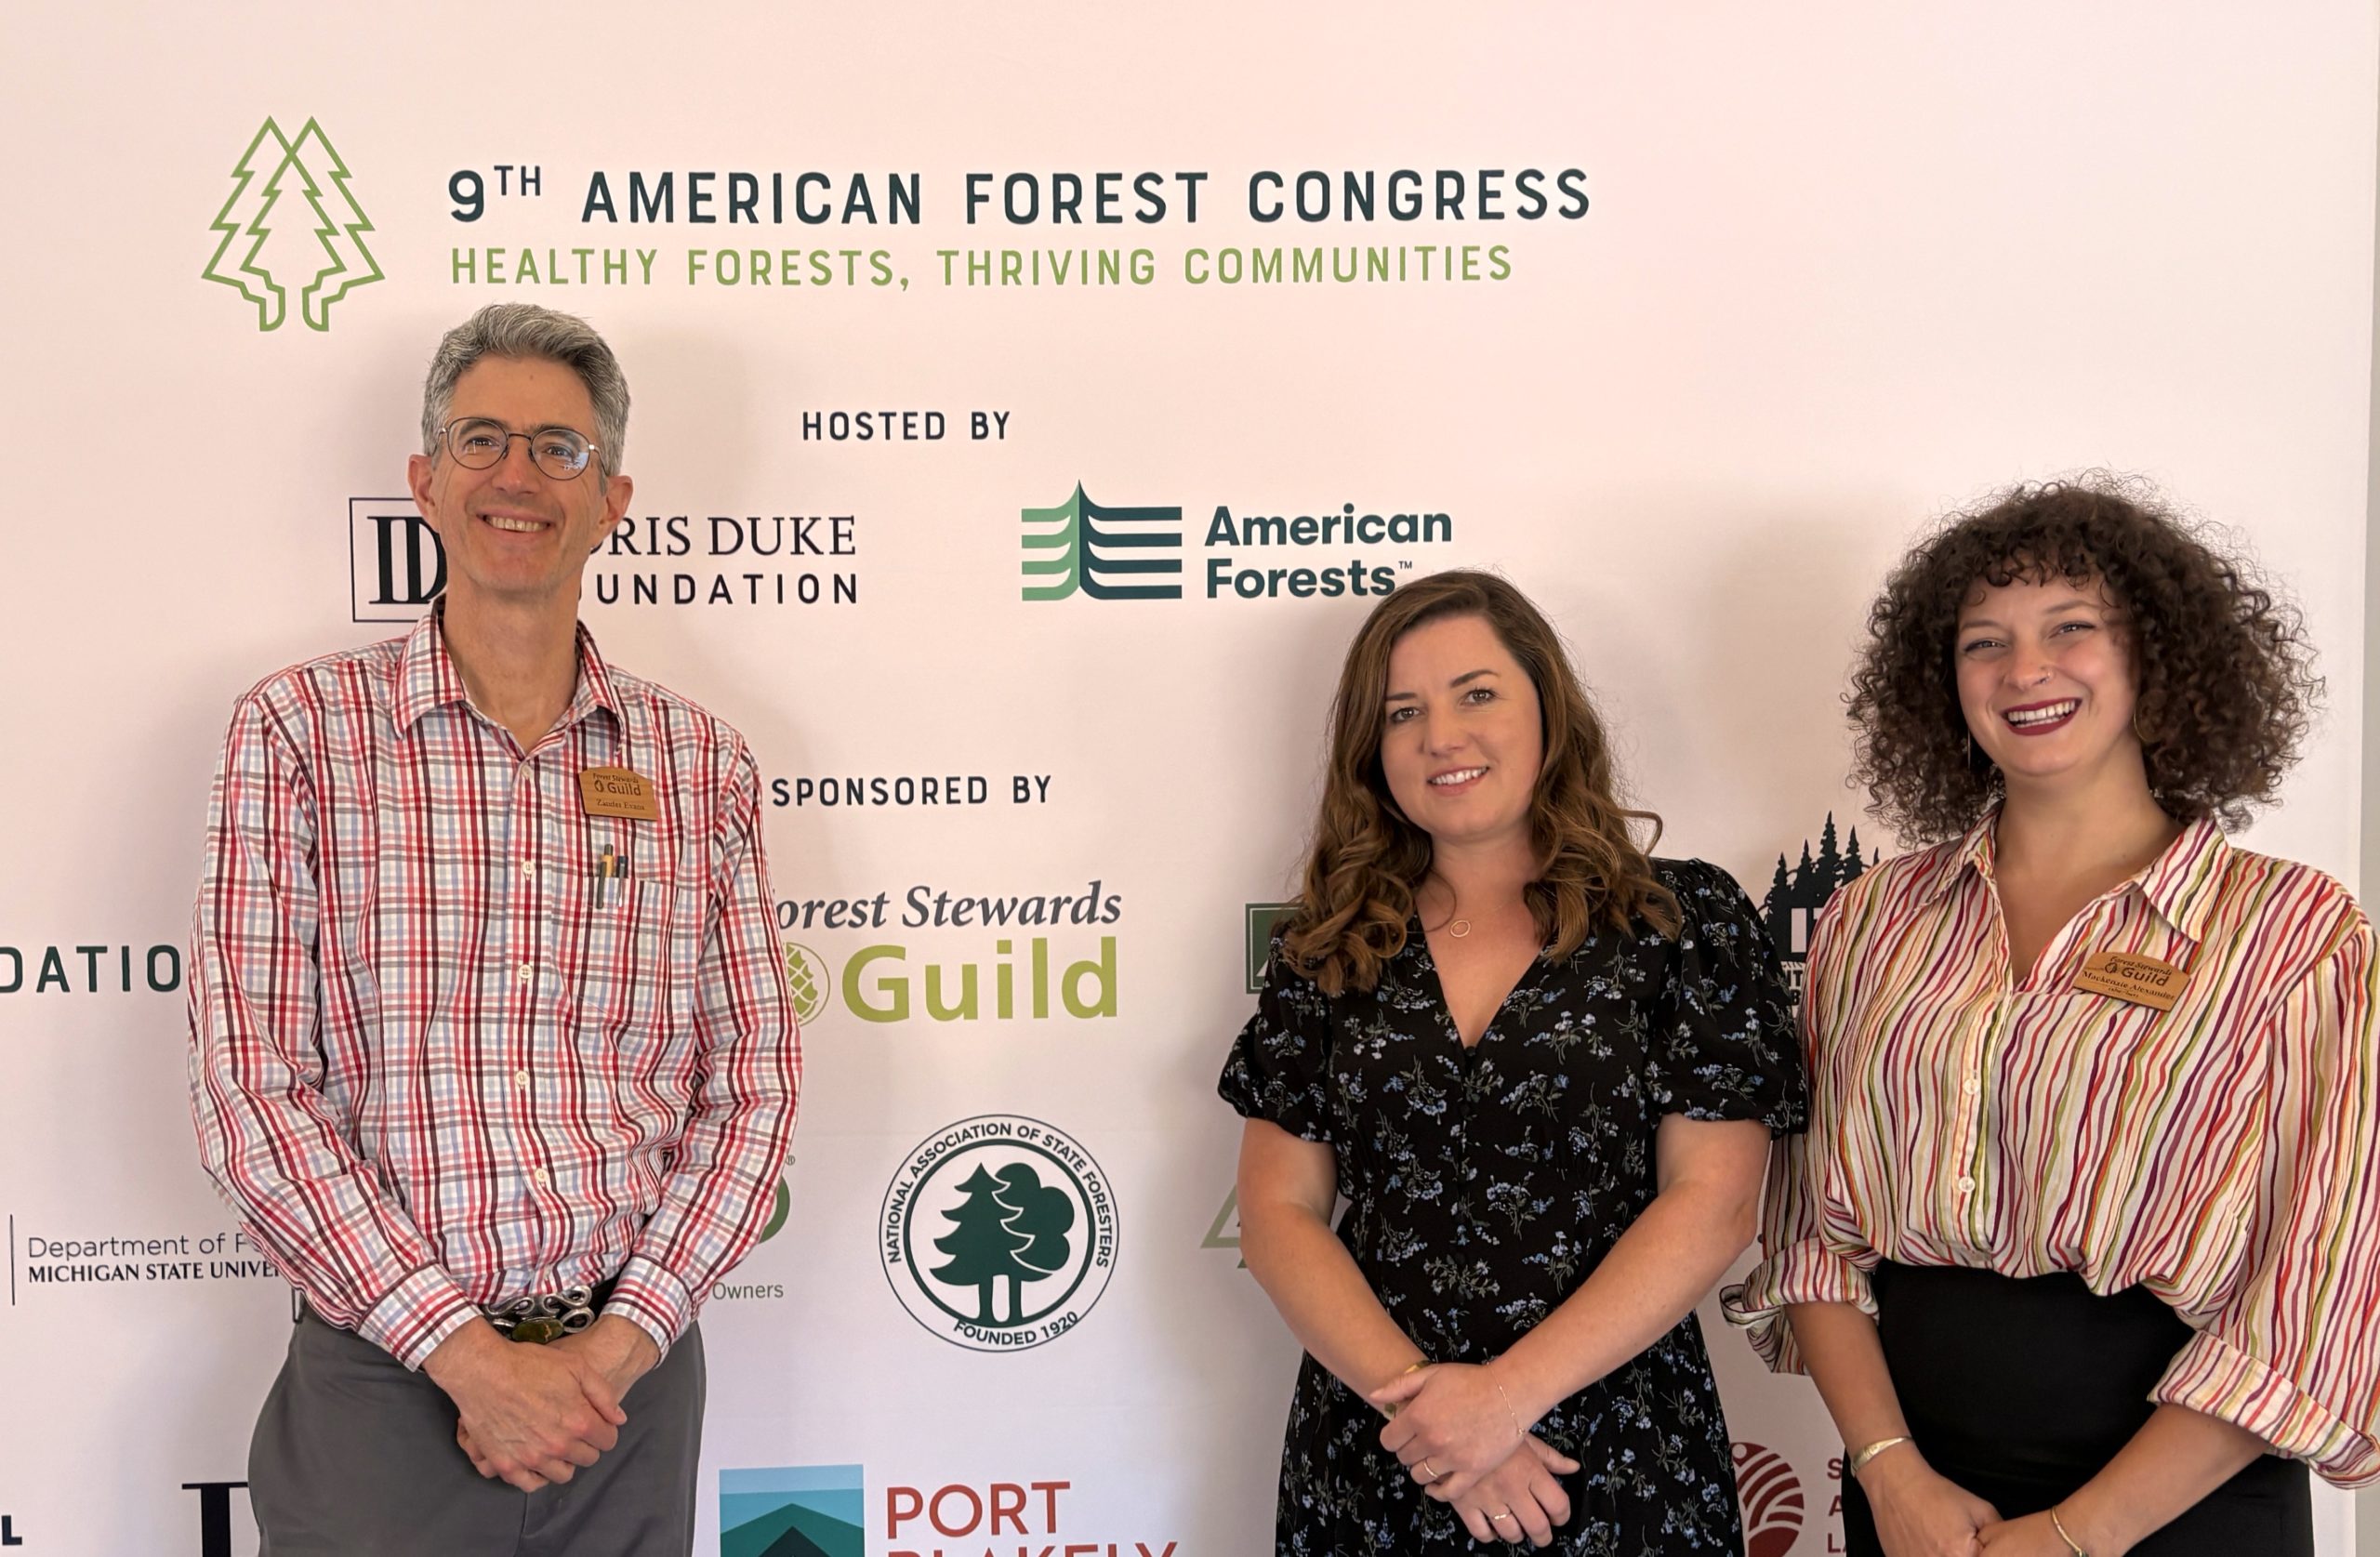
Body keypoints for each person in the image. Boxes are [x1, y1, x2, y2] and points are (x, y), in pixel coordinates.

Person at [187, 302, 800, 1556]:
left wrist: (614, 1348)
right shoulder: (299, 733)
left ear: (612, 495)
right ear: (424, 477)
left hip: (623, 1393)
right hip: (384, 1385)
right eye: (481, 439)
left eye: (559, 447)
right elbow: (251, 1089)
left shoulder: (700, 763)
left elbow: (755, 1086)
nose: (517, 474)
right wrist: (467, 1357)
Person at [1723, 477, 2380, 1556]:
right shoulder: (1869, 919)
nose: (2024, 671)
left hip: (2178, 1506)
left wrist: (2080, 1533)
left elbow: (2323, 1282)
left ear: (2154, 657)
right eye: (1984, 642)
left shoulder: (2293, 933)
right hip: (1917, 1495)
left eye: (2069, 629)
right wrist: (1887, 1475)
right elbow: (1808, 1236)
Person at [1219, 570, 1806, 1552]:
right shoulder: (1328, 945)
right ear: (1371, 749)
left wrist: (1501, 1404)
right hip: (1379, 1449)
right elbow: (1278, 1212)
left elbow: (1713, 1200)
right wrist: (1433, 1422)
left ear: (1549, 710)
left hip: (1614, 1453)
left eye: (1476, 693)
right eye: (1402, 711)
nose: (1440, 734)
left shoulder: (1678, 922)